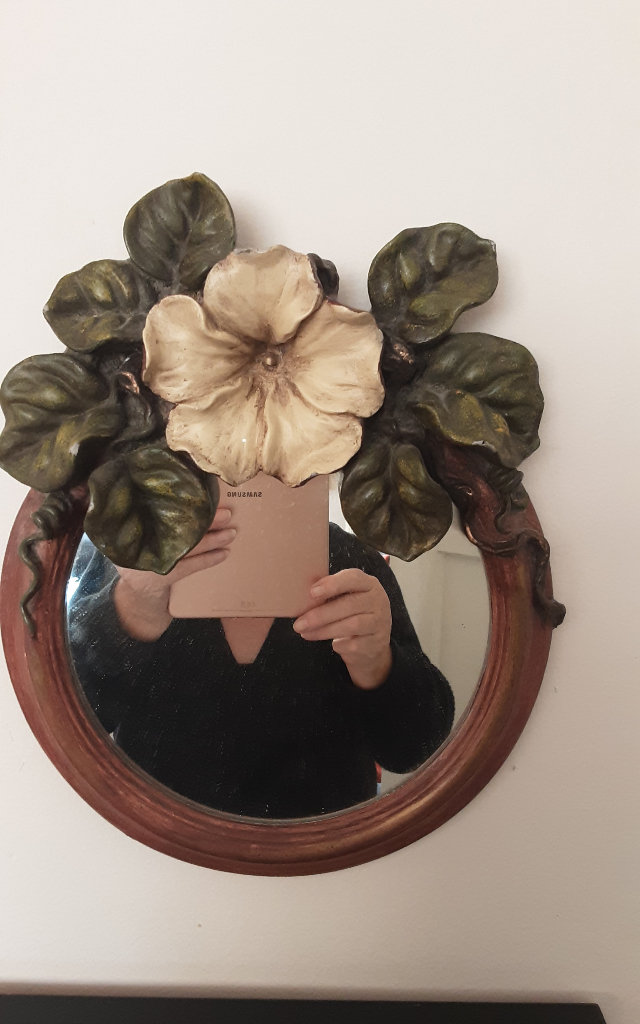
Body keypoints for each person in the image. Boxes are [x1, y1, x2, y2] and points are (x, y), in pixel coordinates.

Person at [67, 509, 454, 819]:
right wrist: (130, 610)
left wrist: (377, 663)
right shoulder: (139, 557)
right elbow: (66, 725)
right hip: (156, 854)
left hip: (326, 861)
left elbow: (416, 748)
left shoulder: (351, 563)